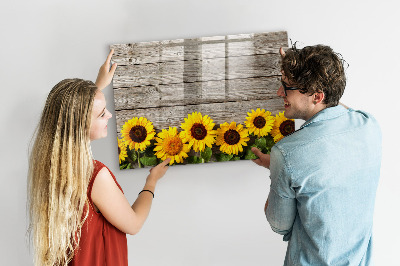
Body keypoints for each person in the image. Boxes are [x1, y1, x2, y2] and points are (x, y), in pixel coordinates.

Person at [27, 49, 171, 266]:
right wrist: (152, 180)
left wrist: (97, 86)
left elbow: (73, 112)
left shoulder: (49, 164)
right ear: (81, 124)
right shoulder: (95, 176)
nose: (110, 115)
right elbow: (134, 224)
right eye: (102, 113)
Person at [251, 44, 382, 265]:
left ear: (317, 96)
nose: (280, 92)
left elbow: (279, 225)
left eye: (287, 86)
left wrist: (278, 169)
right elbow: (335, 107)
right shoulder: (369, 125)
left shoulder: (286, 153)